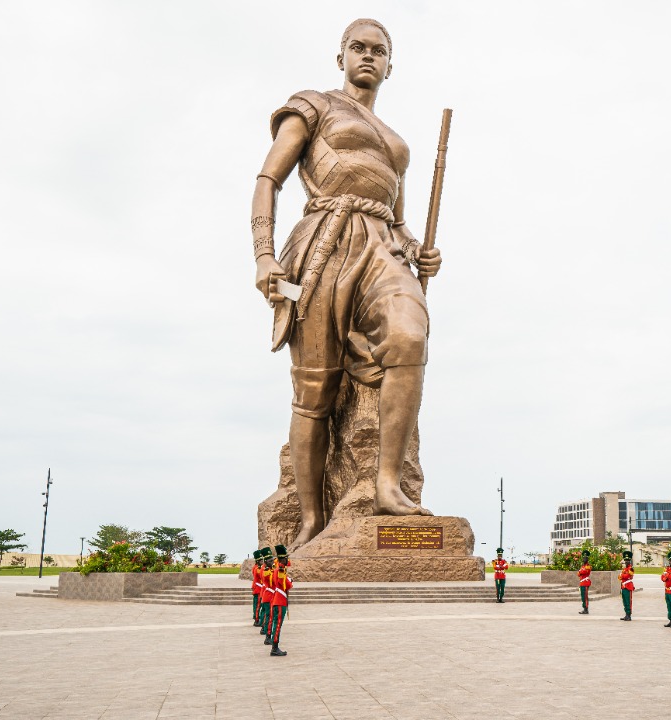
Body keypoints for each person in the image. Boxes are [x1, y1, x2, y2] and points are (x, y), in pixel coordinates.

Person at [250, 18, 443, 550]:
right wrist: (264, 256)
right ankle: (311, 517)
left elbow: (399, 222)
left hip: (382, 247)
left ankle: (387, 484)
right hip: (324, 243)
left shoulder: (397, 146)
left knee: (409, 336)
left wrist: (422, 254)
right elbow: (268, 179)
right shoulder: (313, 105)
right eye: (357, 48)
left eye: (378, 51)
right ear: (341, 58)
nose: (368, 57)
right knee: (315, 391)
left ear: (389, 64)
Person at [267, 544, 293, 657]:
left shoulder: (278, 568)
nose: (288, 559)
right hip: (280, 600)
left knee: (275, 624)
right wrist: (290, 582)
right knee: (278, 625)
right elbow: (285, 584)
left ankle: (274, 645)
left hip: (277, 598)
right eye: (286, 557)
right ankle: (274, 647)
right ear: (283, 558)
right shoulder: (280, 569)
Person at [258, 546, 274, 635]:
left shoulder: (267, 568)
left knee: (266, 613)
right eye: (271, 561)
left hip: (266, 592)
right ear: (266, 561)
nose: (273, 562)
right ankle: (265, 630)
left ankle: (264, 628)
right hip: (267, 593)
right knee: (267, 614)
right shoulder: (265, 570)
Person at [619, 551, 635, 621]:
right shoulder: (624, 569)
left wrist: (622, 576)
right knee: (624, 601)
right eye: (625, 560)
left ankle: (629, 615)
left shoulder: (630, 569)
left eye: (627, 560)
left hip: (628, 586)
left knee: (628, 601)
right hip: (623, 586)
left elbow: (627, 576)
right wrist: (622, 576)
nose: (626, 562)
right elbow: (619, 577)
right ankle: (626, 614)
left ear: (630, 561)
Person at [251, 549, 263, 626]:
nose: (263, 562)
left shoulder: (256, 567)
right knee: (258, 605)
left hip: (258, 588)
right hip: (258, 589)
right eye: (261, 560)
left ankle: (256, 616)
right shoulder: (257, 569)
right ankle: (256, 619)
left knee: (257, 605)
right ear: (258, 561)